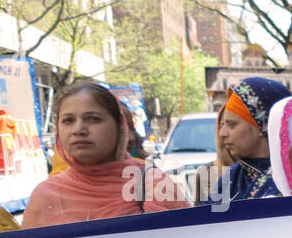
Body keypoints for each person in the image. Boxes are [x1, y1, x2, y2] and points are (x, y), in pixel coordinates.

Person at [21, 81, 188, 227]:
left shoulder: (152, 185)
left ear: (119, 127)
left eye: (93, 119)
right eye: (68, 120)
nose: (78, 130)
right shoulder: (46, 196)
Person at [214, 77, 292, 204]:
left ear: (262, 126)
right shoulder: (233, 177)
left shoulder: (289, 179)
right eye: (222, 125)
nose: (222, 134)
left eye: (232, 125)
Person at [0, 109, 18, 174]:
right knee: (10, 153)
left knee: (1, 154)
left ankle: (3, 169)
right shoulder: (11, 118)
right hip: (9, 138)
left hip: (0, 139)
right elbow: (14, 129)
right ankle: (11, 168)